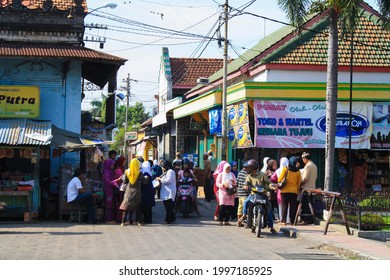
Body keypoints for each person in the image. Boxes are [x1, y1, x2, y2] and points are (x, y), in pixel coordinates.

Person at [242, 159, 277, 234]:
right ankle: (244, 216)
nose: (247, 169)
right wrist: (245, 186)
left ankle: (271, 227)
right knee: (245, 202)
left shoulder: (262, 175)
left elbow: (268, 183)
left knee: (269, 211)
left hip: (263, 195)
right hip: (253, 194)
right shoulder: (249, 176)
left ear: (252, 168)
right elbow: (246, 183)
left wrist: (272, 187)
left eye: (248, 167)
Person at [119, 158, 148, 226]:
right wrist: (147, 178)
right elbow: (144, 182)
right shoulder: (139, 173)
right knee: (138, 207)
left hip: (128, 191)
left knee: (125, 207)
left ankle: (122, 222)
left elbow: (125, 182)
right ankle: (139, 222)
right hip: (137, 191)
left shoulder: (127, 171)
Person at [278, 156, 302, 226]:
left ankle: (283, 221)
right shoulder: (298, 171)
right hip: (294, 191)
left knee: (284, 206)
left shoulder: (286, 169)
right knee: (293, 206)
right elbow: (299, 182)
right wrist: (297, 190)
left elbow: (279, 179)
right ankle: (292, 221)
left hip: (285, 190)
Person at [299, 152, 318, 224]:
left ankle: (307, 220)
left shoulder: (307, 166)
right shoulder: (314, 165)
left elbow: (305, 178)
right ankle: (310, 219)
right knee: (310, 204)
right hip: (312, 187)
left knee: (306, 205)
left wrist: (300, 183)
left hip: (306, 188)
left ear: (305, 159)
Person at [271, 157, 289, 222]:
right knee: (288, 206)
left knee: (280, 205)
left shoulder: (278, 171)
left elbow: (272, 179)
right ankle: (288, 219)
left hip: (280, 189)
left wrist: (276, 184)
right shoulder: (290, 170)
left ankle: (282, 219)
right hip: (289, 189)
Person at [111, 156, 126, 223]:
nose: (125, 163)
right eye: (124, 161)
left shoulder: (121, 169)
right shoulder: (119, 170)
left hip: (121, 188)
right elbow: (122, 179)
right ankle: (119, 218)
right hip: (119, 189)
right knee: (120, 203)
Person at [102, 157, 116, 224]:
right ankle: (108, 219)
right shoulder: (107, 172)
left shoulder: (110, 171)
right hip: (108, 190)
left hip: (110, 189)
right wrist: (117, 181)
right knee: (109, 204)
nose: (113, 166)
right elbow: (109, 182)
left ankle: (110, 218)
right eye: (112, 164)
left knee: (111, 204)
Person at [236, 161, 249, 227]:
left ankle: (239, 221)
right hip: (245, 193)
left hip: (239, 193)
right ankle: (243, 221)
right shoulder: (246, 174)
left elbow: (237, 182)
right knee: (245, 208)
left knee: (240, 207)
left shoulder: (239, 173)